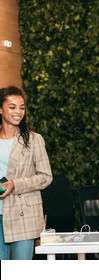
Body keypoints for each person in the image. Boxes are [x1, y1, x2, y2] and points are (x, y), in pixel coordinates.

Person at [0, 86, 52, 260]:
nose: (18, 112)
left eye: (22, 107)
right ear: (0, 109)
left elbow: (46, 177)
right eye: (12, 107)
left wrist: (15, 184)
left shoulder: (34, 139)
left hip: (24, 213)